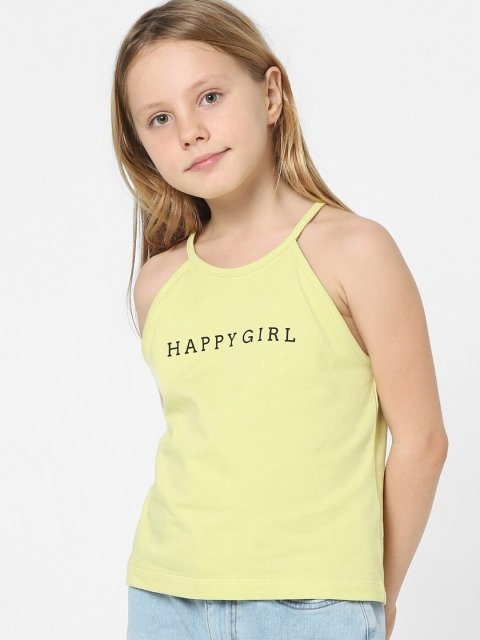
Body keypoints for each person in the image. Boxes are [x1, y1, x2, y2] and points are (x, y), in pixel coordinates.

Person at [110, 1, 449, 638]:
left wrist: (376, 595)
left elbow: (424, 442)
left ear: (271, 95)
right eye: (160, 118)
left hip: (314, 604)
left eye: (209, 97)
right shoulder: (158, 283)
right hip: (164, 596)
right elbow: (217, 437)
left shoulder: (354, 251)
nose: (190, 132)